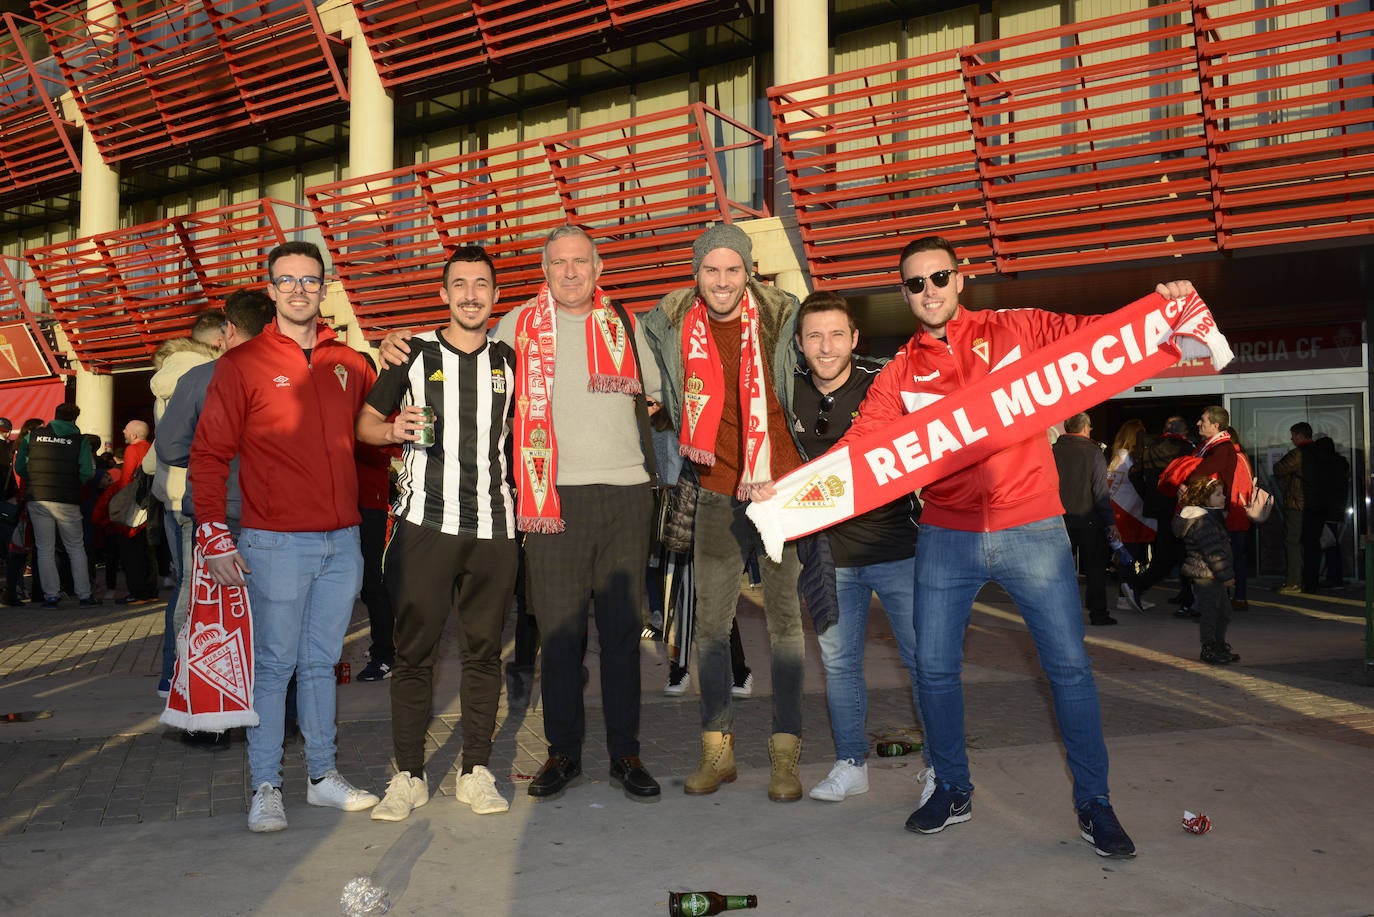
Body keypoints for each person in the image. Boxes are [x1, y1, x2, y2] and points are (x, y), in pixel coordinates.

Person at [833, 235, 1173, 857]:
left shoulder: (1018, 328)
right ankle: (953, 789)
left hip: (1033, 531)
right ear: (904, 293)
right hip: (944, 536)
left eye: (939, 278)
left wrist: (1160, 306)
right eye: (915, 284)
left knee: (1069, 669)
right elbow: (860, 446)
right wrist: (790, 489)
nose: (929, 291)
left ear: (960, 279)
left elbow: (1095, 336)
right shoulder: (901, 371)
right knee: (933, 671)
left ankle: (1094, 805)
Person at [382, 225, 664, 804]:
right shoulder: (514, 326)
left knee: (619, 636)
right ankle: (563, 752)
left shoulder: (629, 326)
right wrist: (391, 341)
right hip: (549, 498)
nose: (569, 272)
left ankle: (626, 753)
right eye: (557, 262)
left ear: (598, 267)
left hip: (626, 495)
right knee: (558, 638)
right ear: (544, 269)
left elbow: (658, 399)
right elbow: (455, 342)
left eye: (579, 261)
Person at [191, 241, 380, 832]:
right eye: (287, 280)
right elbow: (207, 455)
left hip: (341, 539)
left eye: (310, 280)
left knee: (322, 664)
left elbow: (375, 430)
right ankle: (265, 785)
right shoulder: (241, 364)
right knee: (274, 668)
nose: (300, 289)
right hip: (273, 542)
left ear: (324, 289)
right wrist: (214, 538)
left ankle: (322, 777)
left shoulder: (347, 360)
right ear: (270, 290)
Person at [641, 222, 808, 802]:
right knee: (710, 628)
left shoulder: (785, 314)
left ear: (749, 271)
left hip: (779, 486)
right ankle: (718, 750)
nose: (721, 281)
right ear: (696, 273)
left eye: (732, 269)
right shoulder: (667, 321)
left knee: (786, 627)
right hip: (714, 486)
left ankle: (786, 754)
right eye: (710, 270)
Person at [357, 245, 519, 820]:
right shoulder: (412, 353)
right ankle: (409, 774)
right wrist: (392, 428)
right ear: (444, 293)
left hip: (498, 526)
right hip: (425, 524)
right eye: (460, 285)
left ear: (496, 297)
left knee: (483, 655)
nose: (471, 294)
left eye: (482, 285)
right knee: (412, 655)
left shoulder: (512, 359)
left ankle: (476, 770)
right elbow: (366, 426)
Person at [786, 291, 926, 804]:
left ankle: (941, 767)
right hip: (829, 558)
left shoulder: (885, 380)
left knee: (922, 660)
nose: (826, 347)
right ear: (799, 344)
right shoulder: (786, 389)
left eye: (836, 335)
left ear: (855, 339)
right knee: (840, 665)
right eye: (814, 336)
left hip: (898, 550)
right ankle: (851, 763)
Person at [157, 290, 274, 735]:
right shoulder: (288, 376)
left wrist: (214, 456)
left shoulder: (201, 377)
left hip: (215, 514)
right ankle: (278, 719)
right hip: (273, 515)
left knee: (209, 621)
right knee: (272, 623)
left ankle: (207, 722)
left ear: (229, 329)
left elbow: (169, 448)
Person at [15, 403, 99, 608]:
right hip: (67, 499)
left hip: (38, 497)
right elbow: (87, 472)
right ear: (74, 419)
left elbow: (20, 467)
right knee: (76, 547)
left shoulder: (33, 436)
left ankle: (51, 596)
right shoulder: (80, 441)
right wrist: (73, 483)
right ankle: (84, 595)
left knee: (45, 548)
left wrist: (35, 479)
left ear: (55, 415)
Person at [1052, 413, 1119, 626]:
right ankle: (1098, 614)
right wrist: (1111, 522)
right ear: (1086, 427)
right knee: (1095, 570)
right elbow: (1100, 491)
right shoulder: (1093, 452)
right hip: (1090, 519)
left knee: (1058, 571)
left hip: (1059, 519)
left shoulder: (1052, 452)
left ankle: (1056, 614)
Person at [1124, 416, 1194, 615]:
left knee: (1170, 551)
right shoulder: (1189, 449)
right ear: (1185, 432)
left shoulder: (1151, 447)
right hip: (1181, 507)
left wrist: (1149, 495)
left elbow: (1134, 473)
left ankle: (1185, 594)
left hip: (1161, 509)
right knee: (1181, 554)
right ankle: (1138, 584)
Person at [1174, 476, 1238, 665]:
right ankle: (1209, 647)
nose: (1224, 497)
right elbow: (1213, 552)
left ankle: (1219, 645)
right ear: (1204, 498)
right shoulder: (1203, 521)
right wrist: (1226, 576)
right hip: (1207, 575)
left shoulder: (1209, 516)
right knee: (1212, 613)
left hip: (1212, 574)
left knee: (1224, 612)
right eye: (1218, 494)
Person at [1192, 408, 1252, 611]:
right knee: (1232, 557)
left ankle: (1229, 598)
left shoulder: (1227, 453)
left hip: (1231, 514)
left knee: (1224, 558)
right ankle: (1237, 597)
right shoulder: (1241, 455)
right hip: (1236, 513)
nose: (1199, 424)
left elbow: (1235, 488)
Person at [109, 419, 158, 605]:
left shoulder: (132, 450)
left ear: (134, 435)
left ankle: (137, 592)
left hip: (135, 507)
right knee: (148, 550)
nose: (122, 431)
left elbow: (126, 480)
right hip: (151, 506)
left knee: (131, 552)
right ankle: (150, 590)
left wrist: (119, 502)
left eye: (126, 429)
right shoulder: (152, 448)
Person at [1303, 434, 1351, 590]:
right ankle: (1335, 577)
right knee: (1332, 544)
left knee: (1327, 545)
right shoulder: (1341, 464)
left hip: (1324, 510)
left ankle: (1333, 578)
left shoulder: (1322, 465)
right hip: (1336, 509)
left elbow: (1321, 488)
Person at [1272, 422, 1313, 595]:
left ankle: (1294, 582)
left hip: (1297, 503)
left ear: (1300, 435)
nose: (1291, 438)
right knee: (1308, 544)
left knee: (1293, 542)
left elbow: (1279, 469)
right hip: (1313, 503)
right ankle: (1306, 579)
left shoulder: (1298, 454)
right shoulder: (1317, 452)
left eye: (1293, 435)